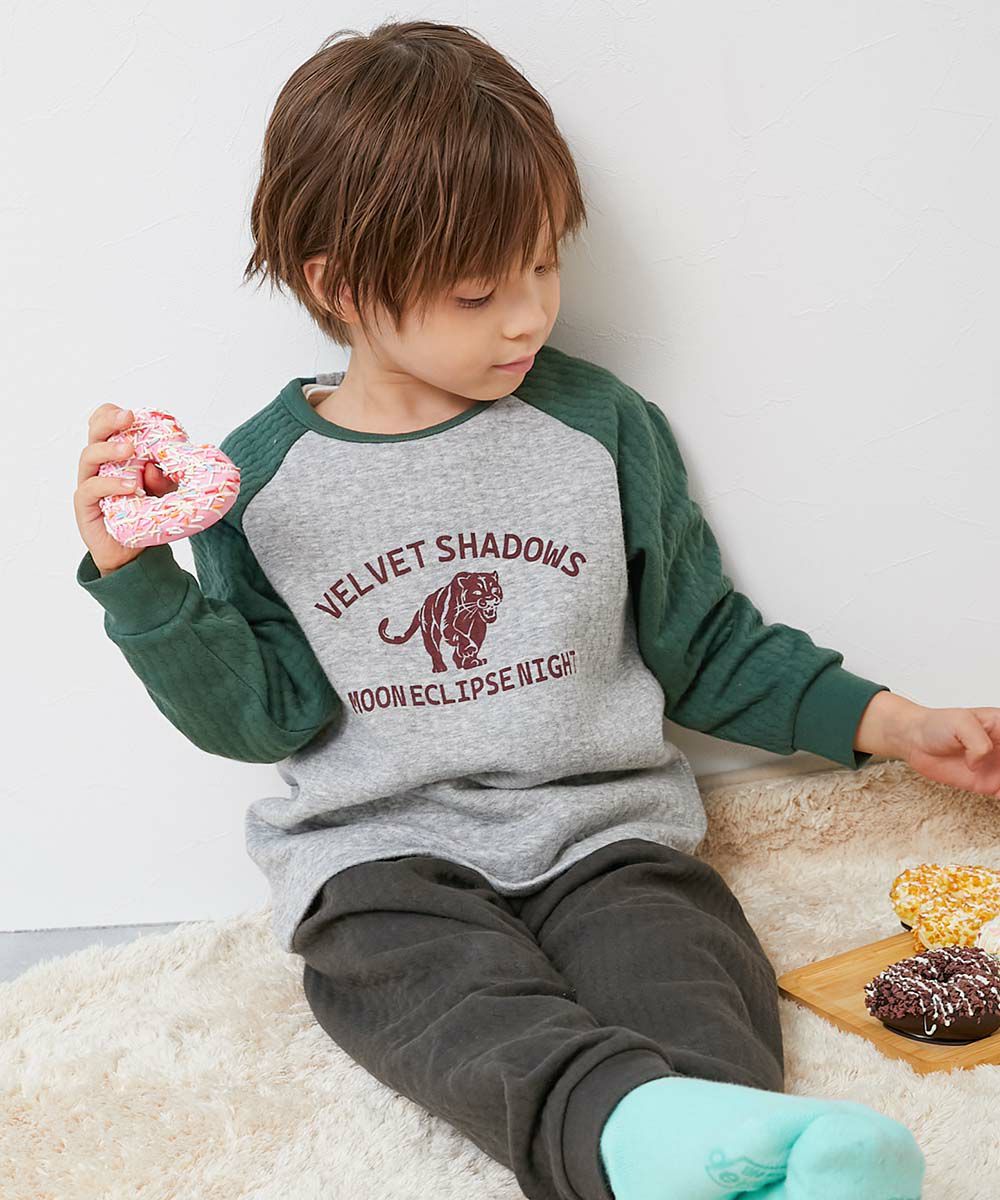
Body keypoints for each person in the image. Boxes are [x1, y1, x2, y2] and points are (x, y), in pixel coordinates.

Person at [73, 19, 1000, 1200]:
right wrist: (137, 580)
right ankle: (636, 1141)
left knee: (687, 970)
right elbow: (262, 718)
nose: (526, 317)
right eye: (478, 293)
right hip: (384, 857)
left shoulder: (597, 428)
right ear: (338, 285)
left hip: (602, 837)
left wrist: (898, 724)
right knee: (429, 994)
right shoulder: (257, 482)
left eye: (544, 267)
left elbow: (705, 644)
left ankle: (744, 1153)